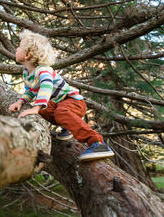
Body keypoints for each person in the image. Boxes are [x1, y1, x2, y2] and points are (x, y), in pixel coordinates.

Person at [9, 30, 114, 161]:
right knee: (45, 110)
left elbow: (46, 87)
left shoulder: (43, 71)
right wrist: (20, 102)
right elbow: (30, 91)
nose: (16, 48)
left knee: (57, 112)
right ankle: (67, 127)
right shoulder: (27, 73)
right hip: (60, 103)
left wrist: (35, 108)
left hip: (73, 101)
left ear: (28, 54)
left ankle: (97, 143)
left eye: (19, 46)